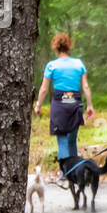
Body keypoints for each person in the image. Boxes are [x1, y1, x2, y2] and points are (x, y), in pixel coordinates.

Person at [33, 32, 95, 179]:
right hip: (75, 102)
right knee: (72, 139)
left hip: (59, 104)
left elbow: (44, 89)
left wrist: (38, 105)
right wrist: (90, 105)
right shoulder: (79, 64)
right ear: (69, 46)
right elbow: (85, 86)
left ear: (55, 47)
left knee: (62, 139)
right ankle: (75, 171)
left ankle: (64, 172)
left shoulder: (52, 66)